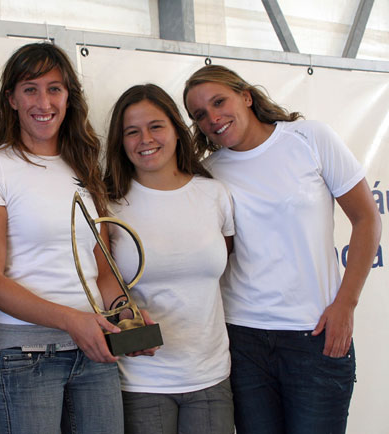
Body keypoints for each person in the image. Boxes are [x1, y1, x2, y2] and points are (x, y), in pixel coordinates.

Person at [183, 64, 382, 434]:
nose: (212, 117)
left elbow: (367, 220)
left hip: (315, 336)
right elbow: (214, 254)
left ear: (246, 96)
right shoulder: (208, 173)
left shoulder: (309, 138)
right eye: (200, 115)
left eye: (219, 101)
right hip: (242, 340)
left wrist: (346, 304)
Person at [0, 42, 124, 434]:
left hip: (95, 351)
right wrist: (73, 321)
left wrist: (127, 314)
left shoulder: (84, 167)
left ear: (69, 97)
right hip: (26, 355)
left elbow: (103, 271)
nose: (44, 101)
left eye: (55, 88)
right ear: (12, 100)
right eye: (30, 89)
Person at [103, 83, 235, 434]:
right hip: (141, 382)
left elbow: (225, 260)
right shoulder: (109, 204)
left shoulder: (214, 194)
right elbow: (101, 282)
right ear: (121, 142)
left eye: (155, 126)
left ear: (177, 129)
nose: (145, 139)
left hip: (211, 378)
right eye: (132, 131)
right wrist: (126, 321)